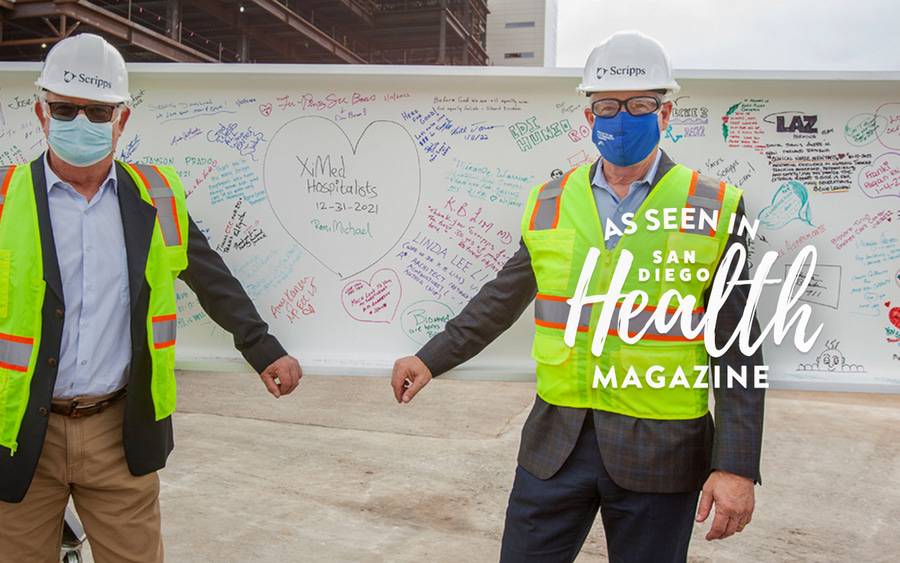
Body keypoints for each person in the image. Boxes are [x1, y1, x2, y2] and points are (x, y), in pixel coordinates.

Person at [391, 30, 765, 562]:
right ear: (589, 118)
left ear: (665, 114)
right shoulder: (551, 200)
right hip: (555, 445)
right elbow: (503, 297)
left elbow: (739, 346)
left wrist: (737, 465)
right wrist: (431, 358)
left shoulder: (715, 205)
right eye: (608, 106)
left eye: (640, 105)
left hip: (662, 452)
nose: (622, 117)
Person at [0, 33, 302, 562]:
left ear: (122, 119)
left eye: (97, 111)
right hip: (21, 434)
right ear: (41, 113)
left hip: (118, 433)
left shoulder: (156, 197)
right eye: (65, 108)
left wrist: (264, 348)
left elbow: (212, 280)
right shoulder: (4, 199)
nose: (80, 122)